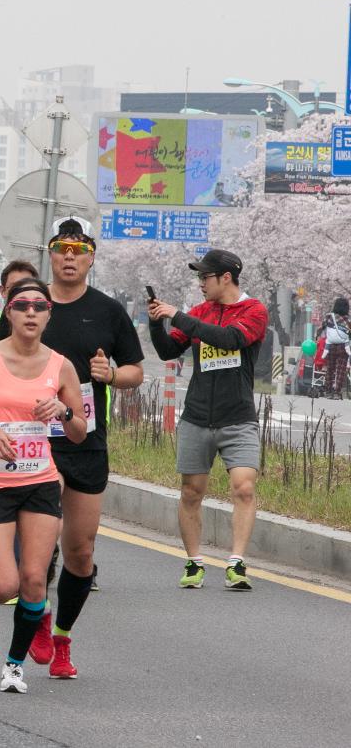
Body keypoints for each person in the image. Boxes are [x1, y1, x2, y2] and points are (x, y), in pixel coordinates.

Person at [0, 221, 145, 676]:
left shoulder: (108, 311)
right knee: (40, 543)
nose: (69, 257)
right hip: (33, 440)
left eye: (78, 250)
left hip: (85, 440)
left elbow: (136, 370)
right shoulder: (28, 303)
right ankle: (36, 610)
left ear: (91, 257)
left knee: (81, 550)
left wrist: (111, 376)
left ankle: (61, 637)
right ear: (51, 254)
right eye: (61, 249)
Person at [0, 278, 87, 694]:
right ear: (9, 312)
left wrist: (62, 411)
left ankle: (13, 666)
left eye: (38, 306)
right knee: (5, 584)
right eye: (21, 305)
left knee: (34, 580)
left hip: (39, 480)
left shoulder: (61, 366)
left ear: (47, 315)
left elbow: (78, 432)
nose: (30, 313)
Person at [148, 249, 268, 593]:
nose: (201, 283)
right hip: (198, 416)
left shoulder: (254, 311)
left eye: (205, 277)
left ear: (225, 278)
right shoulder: (200, 312)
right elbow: (169, 351)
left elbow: (230, 338)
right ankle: (194, 561)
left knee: (244, 486)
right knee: (191, 491)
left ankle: (236, 562)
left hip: (238, 417)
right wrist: (158, 322)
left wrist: (179, 316)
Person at [0, 261, 39, 347]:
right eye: (14, 288)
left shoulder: (43, 324)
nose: (21, 293)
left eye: (27, 287)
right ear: (3, 291)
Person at [321, 298, 350, 398]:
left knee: (330, 368)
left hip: (331, 345)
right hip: (343, 346)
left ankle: (328, 391)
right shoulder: (348, 319)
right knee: (341, 369)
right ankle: (337, 392)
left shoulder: (329, 316)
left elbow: (322, 327)